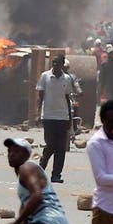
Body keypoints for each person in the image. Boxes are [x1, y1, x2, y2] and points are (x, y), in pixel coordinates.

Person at [36, 54, 80, 183]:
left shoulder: (66, 79)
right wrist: (39, 114)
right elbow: (40, 97)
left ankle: (56, 175)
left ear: (62, 65)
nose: (55, 65)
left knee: (61, 147)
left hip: (62, 117)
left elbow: (68, 99)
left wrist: (70, 119)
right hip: (48, 116)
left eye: (57, 63)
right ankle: (41, 168)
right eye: (53, 63)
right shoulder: (45, 76)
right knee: (50, 145)